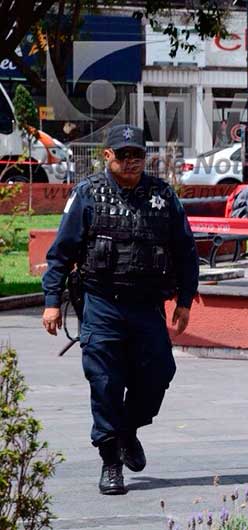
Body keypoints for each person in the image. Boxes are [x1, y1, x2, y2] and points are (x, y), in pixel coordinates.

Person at [41, 124, 199, 495]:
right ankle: (111, 461)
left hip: (147, 305)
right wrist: (51, 302)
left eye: (137, 155)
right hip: (101, 304)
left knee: (159, 373)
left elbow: (185, 250)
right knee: (105, 382)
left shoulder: (163, 196)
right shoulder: (87, 194)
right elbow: (61, 252)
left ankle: (128, 429)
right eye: (123, 155)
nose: (131, 162)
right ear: (107, 156)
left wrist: (186, 300)